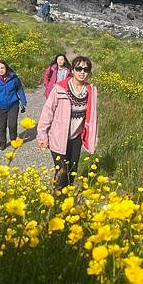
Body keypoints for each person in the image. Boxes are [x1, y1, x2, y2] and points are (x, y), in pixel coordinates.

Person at [37, 56, 98, 189]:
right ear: (73, 70)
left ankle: (67, 200)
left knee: (72, 171)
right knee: (62, 173)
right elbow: (47, 112)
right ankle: (57, 203)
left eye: (86, 69)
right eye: (79, 68)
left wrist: (91, 139)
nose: (82, 72)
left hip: (75, 139)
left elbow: (92, 118)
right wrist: (42, 136)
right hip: (58, 137)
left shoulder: (90, 91)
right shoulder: (60, 88)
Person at [0, 60, 27, 150]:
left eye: (2, 68)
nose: (1, 70)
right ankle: (2, 143)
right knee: (1, 126)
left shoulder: (14, 77)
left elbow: (20, 89)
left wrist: (23, 102)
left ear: (6, 68)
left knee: (12, 124)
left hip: (13, 105)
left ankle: (13, 140)